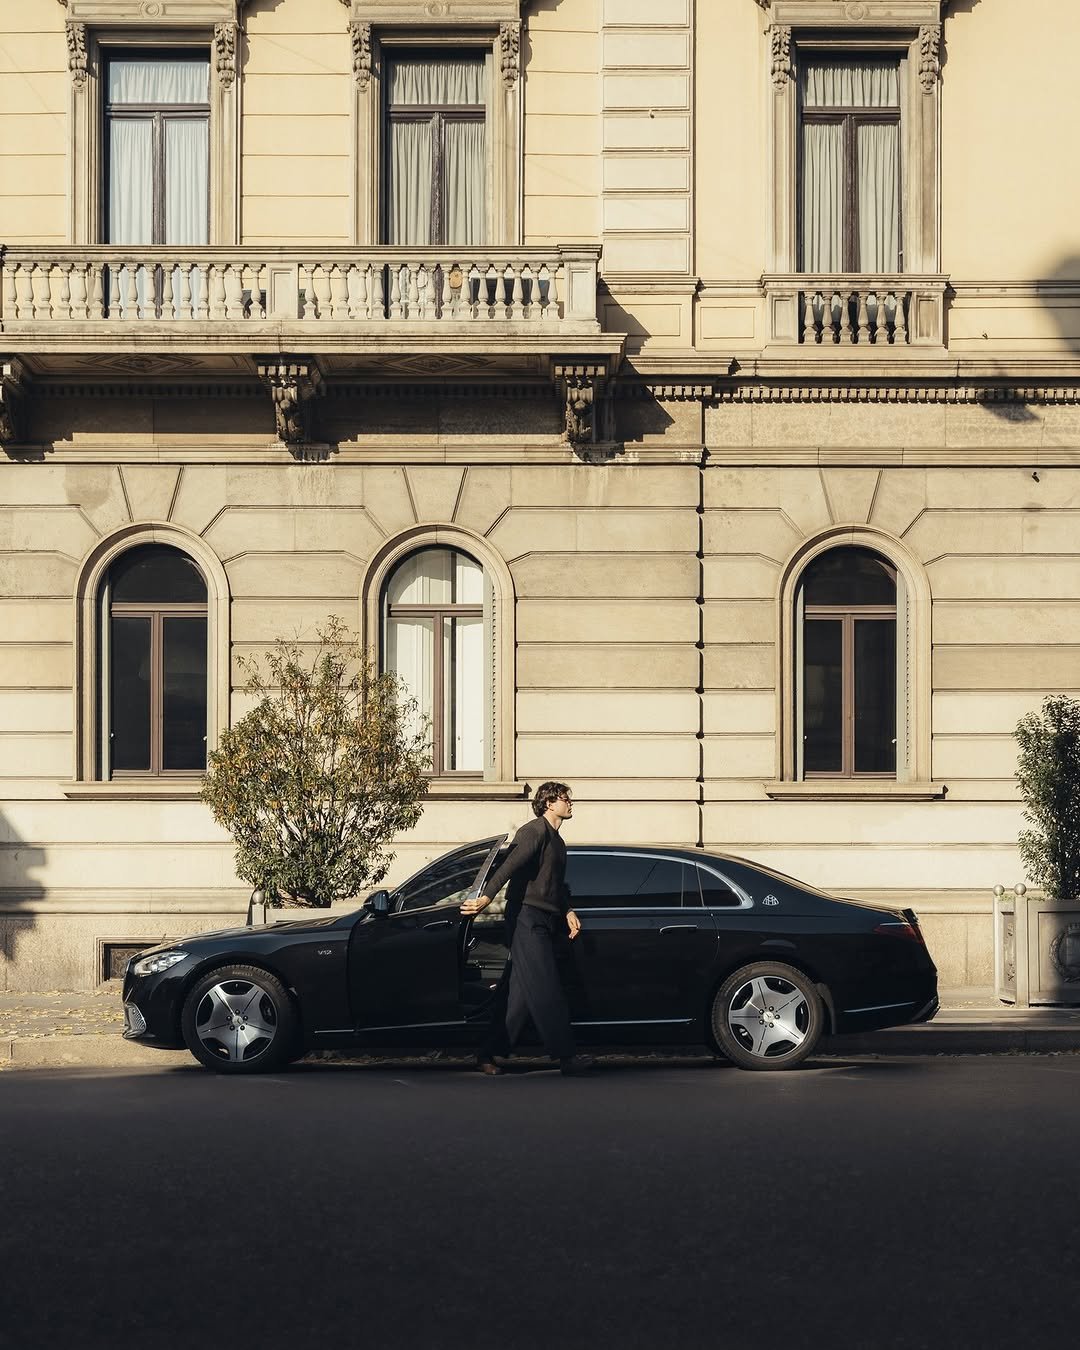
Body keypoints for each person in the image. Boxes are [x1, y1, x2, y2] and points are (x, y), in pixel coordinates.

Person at [461, 781, 595, 1077]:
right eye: (565, 798)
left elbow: (553, 884)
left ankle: (487, 1054)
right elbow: (508, 867)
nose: (571, 803)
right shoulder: (533, 831)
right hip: (525, 918)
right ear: (549, 803)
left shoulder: (557, 841)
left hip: (544, 919)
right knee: (547, 985)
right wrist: (486, 896)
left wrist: (567, 910)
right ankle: (567, 1057)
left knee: (518, 996)